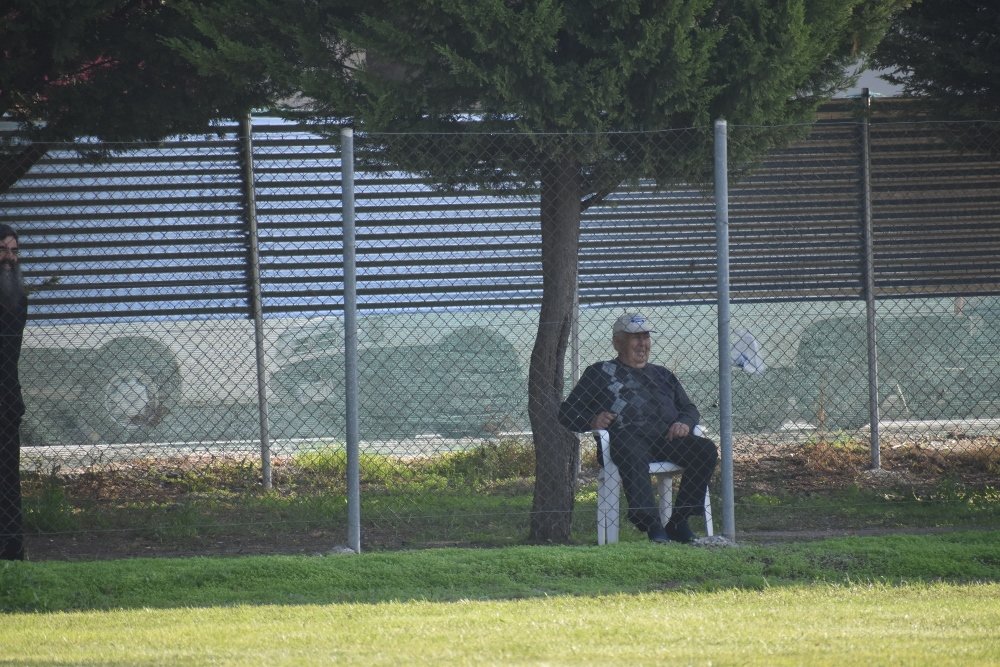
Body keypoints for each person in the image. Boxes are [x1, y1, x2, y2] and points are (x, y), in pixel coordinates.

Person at [559, 312, 718, 544]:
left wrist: (684, 422)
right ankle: (653, 526)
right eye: (635, 338)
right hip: (626, 439)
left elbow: (689, 408)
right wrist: (591, 421)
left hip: (667, 438)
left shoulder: (663, 374)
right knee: (632, 451)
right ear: (618, 343)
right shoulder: (599, 373)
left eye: (646, 337)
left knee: (705, 451)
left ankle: (679, 522)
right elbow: (567, 412)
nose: (642, 344)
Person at [0, 224, 27, 560]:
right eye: (2, 249)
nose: (8, 257)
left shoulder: (17, 295)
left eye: (14, 251)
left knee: (8, 480)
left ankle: (10, 551)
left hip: (6, 400)